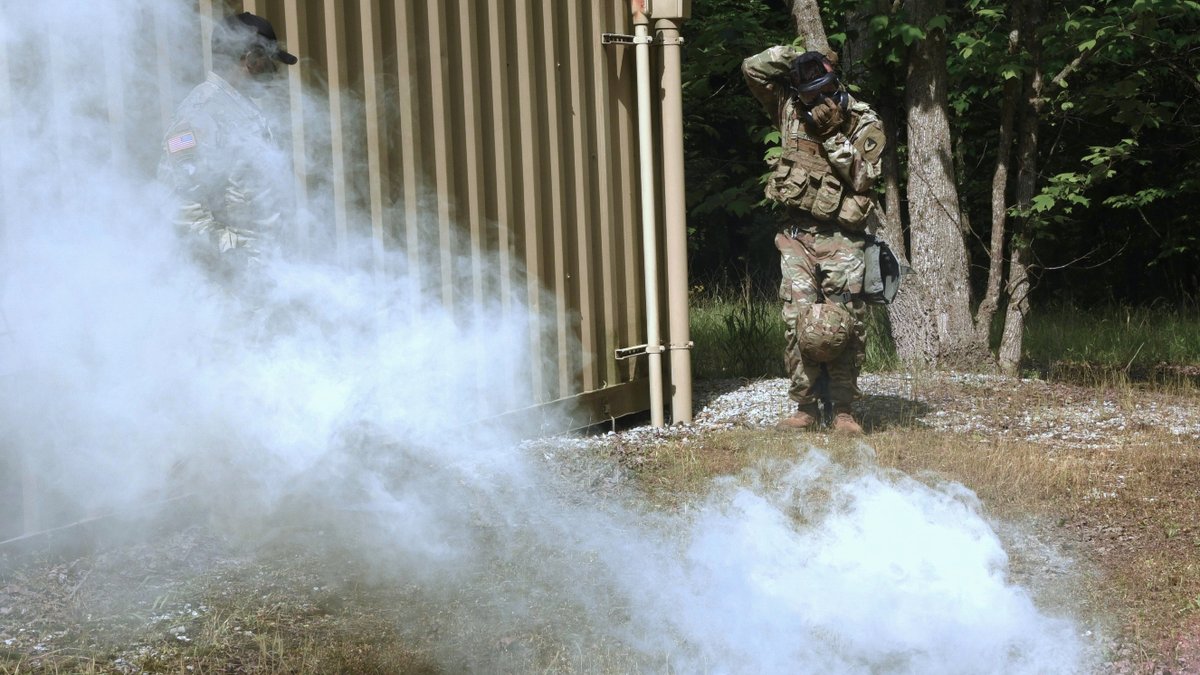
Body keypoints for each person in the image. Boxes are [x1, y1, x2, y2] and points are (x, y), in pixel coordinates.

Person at [742, 46, 886, 434]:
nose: (815, 102)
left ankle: (842, 410)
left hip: (843, 237)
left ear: (834, 84)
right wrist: (798, 56)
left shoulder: (862, 119)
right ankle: (804, 406)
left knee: (845, 322)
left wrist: (832, 136)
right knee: (796, 319)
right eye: (807, 94)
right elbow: (752, 69)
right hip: (797, 234)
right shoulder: (788, 108)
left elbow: (863, 178)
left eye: (821, 92)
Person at [159, 12, 297, 290]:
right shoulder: (201, 113)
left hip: (260, 275)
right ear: (251, 59)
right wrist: (236, 257)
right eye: (270, 63)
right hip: (227, 285)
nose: (275, 72)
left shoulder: (241, 109)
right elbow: (180, 206)